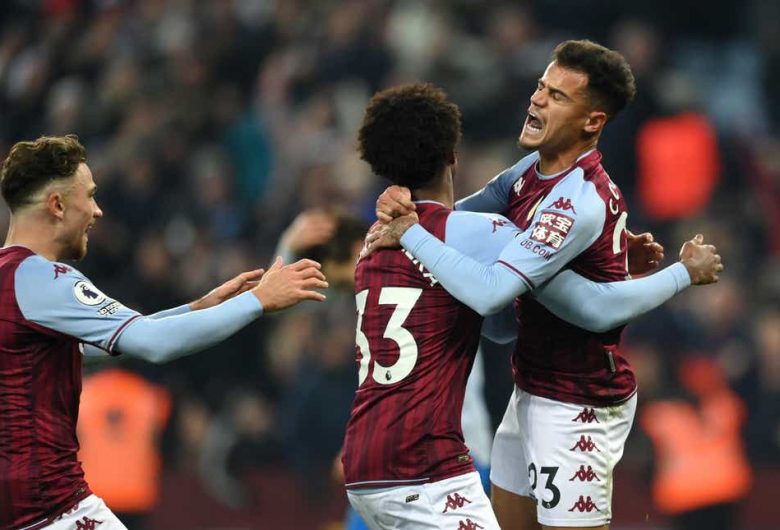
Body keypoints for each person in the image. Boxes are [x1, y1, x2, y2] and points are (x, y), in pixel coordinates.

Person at [370, 41, 724, 530]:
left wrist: (683, 272)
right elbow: (457, 219)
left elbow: (587, 308)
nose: (536, 99)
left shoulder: (577, 200)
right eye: (541, 86)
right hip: (531, 388)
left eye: (557, 96)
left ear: (592, 122)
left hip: (579, 403)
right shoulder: (529, 173)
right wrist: (407, 217)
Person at [0, 135, 328, 530]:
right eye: (89, 195)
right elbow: (154, 344)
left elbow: (101, 344)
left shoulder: (11, 283)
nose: (97, 211)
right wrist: (259, 300)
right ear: (56, 205)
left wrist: (196, 308)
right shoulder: (44, 278)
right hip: (50, 510)